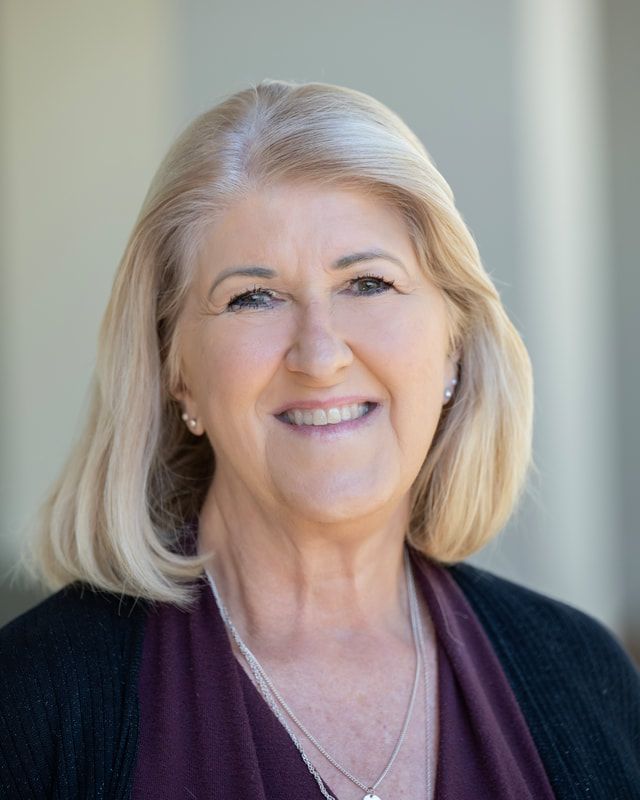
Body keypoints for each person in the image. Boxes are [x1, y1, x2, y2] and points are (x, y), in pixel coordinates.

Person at [1, 79, 638, 800]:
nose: (320, 353)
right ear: (175, 373)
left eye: (367, 283)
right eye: (253, 297)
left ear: (454, 345)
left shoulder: (586, 676)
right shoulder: (31, 702)